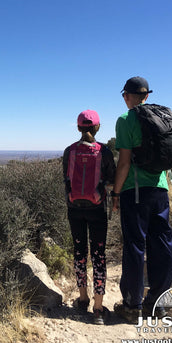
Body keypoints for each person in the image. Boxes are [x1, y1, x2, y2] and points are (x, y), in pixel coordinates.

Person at [111, 76, 172, 322]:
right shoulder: (164, 117)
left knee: (135, 246)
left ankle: (132, 304)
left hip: (135, 192)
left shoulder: (126, 120)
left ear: (127, 96)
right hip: (160, 189)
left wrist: (116, 193)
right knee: (162, 245)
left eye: (125, 95)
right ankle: (158, 303)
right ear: (147, 96)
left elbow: (124, 162)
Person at [63, 109, 115, 325]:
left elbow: (66, 180)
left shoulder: (69, 151)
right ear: (97, 127)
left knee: (79, 251)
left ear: (78, 128)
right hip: (97, 209)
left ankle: (83, 298)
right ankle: (98, 307)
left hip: (75, 209)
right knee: (99, 254)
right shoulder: (104, 151)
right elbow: (111, 179)